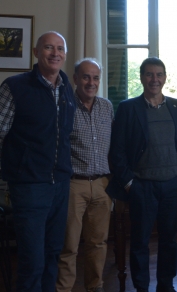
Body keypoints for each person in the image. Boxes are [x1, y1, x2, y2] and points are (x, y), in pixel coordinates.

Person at [0, 31, 75, 292]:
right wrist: (16, 167)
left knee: (52, 255)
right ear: (36, 52)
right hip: (29, 186)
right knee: (32, 262)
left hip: (60, 183)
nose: (55, 53)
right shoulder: (14, 86)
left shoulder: (66, 86)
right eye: (49, 47)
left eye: (60, 48)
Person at [106, 57, 177, 292]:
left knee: (169, 241)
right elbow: (118, 150)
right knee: (140, 243)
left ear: (165, 77)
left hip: (173, 185)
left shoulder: (176, 106)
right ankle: (141, 287)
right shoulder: (128, 107)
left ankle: (166, 286)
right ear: (142, 77)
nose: (155, 79)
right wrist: (129, 183)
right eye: (149, 74)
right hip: (142, 187)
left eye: (159, 74)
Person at [56, 58, 113, 292]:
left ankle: (95, 286)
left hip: (102, 184)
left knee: (98, 243)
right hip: (74, 185)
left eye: (96, 77)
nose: (91, 82)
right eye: (86, 77)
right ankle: (64, 289)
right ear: (76, 79)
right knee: (69, 246)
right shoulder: (65, 105)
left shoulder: (107, 106)